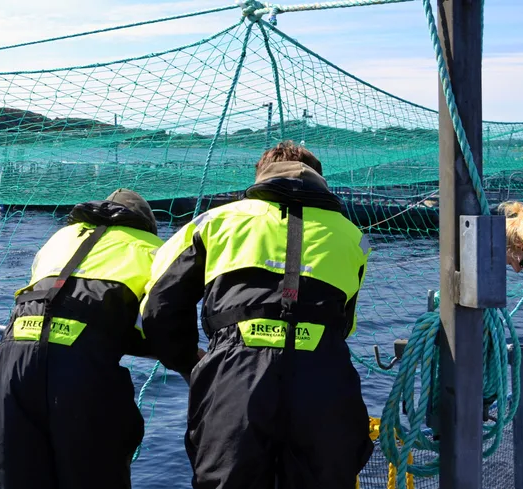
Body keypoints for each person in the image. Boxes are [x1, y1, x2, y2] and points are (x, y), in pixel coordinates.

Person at [140, 141, 374, 488]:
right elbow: (345, 324)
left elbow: (159, 307)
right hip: (324, 375)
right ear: (319, 179)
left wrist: (190, 362)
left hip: (236, 373)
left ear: (261, 176)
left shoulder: (214, 222)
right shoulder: (354, 238)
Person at [0, 188, 164, 489]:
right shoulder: (153, 248)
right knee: (94, 474)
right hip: (78, 368)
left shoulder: (61, 237)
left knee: (19, 474)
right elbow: (162, 323)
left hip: (12, 356)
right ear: (146, 223)